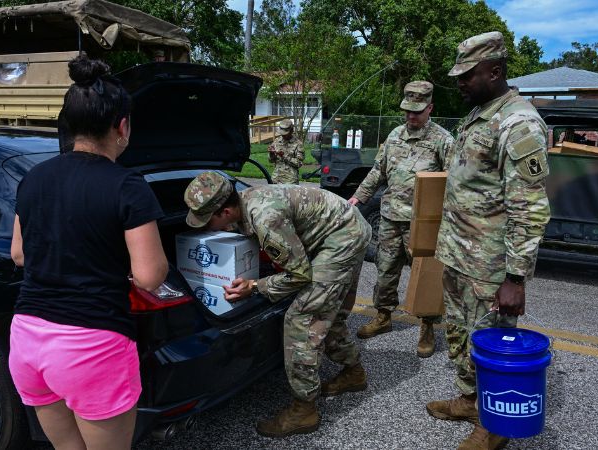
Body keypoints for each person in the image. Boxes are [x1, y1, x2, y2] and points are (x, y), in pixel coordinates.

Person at [9, 55, 169, 449]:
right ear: (123, 127)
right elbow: (150, 276)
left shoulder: (33, 178)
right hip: (91, 347)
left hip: (28, 340)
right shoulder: (126, 185)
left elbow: (19, 254)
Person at [425, 32, 551, 450]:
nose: (459, 83)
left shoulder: (518, 123)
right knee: (460, 333)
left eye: (467, 75)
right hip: (460, 254)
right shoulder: (479, 114)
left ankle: (495, 423)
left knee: (491, 341)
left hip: (491, 266)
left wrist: (515, 277)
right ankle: (469, 399)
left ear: (495, 71)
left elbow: (529, 209)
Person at [183, 172, 371, 438]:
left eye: (207, 220)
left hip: (343, 239)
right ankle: (354, 372)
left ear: (225, 211)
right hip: (345, 227)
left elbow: (299, 274)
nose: (205, 228)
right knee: (331, 314)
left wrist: (255, 287)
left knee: (302, 319)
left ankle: (304, 409)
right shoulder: (246, 202)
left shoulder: (265, 217)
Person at [349, 80, 453, 357]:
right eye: (407, 110)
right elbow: (377, 172)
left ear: (430, 108)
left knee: (426, 276)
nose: (411, 116)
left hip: (424, 223)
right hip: (391, 218)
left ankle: (427, 326)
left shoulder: (443, 140)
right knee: (385, 270)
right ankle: (383, 317)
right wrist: (357, 198)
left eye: (417, 111)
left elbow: (453, 182)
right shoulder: (394, 135)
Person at [268, 119, 304, 184]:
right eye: (282, 133)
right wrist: (271, 154)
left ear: (291, 131)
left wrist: (284, 156)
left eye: (285, 134)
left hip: (290, 181)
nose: (283, 135)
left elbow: (299, 163)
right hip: (276, 179)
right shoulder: (277, 141)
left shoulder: (298, 144)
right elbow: (271, 161)